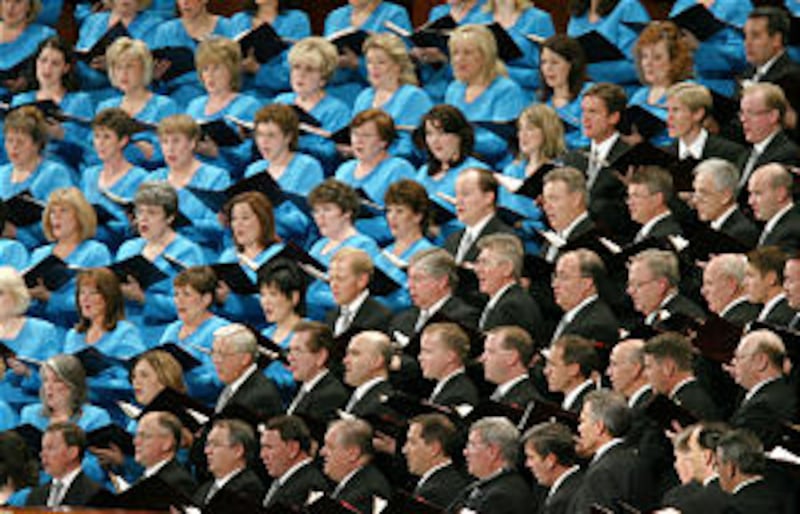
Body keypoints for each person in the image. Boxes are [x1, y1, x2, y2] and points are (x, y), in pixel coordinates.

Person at [115, 181, 204, 343]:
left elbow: (193, 304)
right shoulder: (128, 249)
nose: (143, 219)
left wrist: (143, 298)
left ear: (169, 217)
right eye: (140, 212)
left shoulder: (187, 251)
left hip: (166, 335)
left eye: (152, 213)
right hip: (126, 333)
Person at [148, 114, 230, 261]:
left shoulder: (216, 177)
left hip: (199, 253)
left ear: (192, 143)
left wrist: (181, 223)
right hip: (157, 251)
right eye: (165, 142)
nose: (170, 148)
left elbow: (219, 226)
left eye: (176, 141)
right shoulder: (153, 179)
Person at [28, 188, 112, 328]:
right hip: (41, 327)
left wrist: (50, 298)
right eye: (53, 212)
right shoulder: (39, 254)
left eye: (64, 211)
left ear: (80, 216)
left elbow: (101, 300)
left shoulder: (95, 252)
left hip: (79, 328)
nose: (56, 216)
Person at [444, 24, 524, 168]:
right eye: (455, 53)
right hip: (458, 162)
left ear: (485, 56)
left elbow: (501, 142)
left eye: (467, 53)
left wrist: (458, 143)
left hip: (494, 167)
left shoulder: (506, 90)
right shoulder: (453, 89)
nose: (459, 59)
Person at [242, 103, 322, 247]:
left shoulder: (307, 167)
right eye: (259, 135)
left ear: (288, 137)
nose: (263, 142)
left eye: (271, 135)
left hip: (291, 245)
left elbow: (303, 221)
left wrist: (266, 215)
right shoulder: (254, 169)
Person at [562, 82, 634, 238]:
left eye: (593, 112)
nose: (585, 119)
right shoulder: (574, 158)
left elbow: (625, 212)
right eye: (583, 111)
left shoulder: (630, 157)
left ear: (614, 117)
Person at [11, 36, 93, 172]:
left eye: (55, 64)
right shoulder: (21, 101)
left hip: (63, 169)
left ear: (65, 68)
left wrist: (62, 135)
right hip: (23, 168)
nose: (47, 68)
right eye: (43, 61)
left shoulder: (79, 101)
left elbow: (90, 149)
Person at [64, 268, 145, 405]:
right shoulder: (73, 335)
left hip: (111, 406)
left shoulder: (125, 332)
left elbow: (135, 378)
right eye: (82, 293)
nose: (85, 298)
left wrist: (97, 382)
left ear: (109, 297)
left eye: (93, 293)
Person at [334, 108, 415, 244]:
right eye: (355, 134)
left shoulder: (399, 169)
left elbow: (406, 219)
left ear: (383, 141)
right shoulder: (345, 169)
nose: (358, 141)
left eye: (366, 136)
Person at [97, 37, 179, 171]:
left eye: (130, 66)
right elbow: (94, 151)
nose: (123, 73)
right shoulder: (105, 107)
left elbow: (170, 150)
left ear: (144, 69)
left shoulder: (164, 106)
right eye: (118, 67)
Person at [0, 106, 75, 250]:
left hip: (42, 249)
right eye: (9, 141)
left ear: (37, 144)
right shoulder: (1, 173)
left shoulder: (54, 173)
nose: (13, 147)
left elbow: (62, 223)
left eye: (20, 142)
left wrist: (17, 233)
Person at [305, 179, 379, 321]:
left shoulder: (362, 245)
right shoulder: (318, 246)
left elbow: (361, 294)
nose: (320, 217)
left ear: (346, 213)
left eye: (327, 209)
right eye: (316, 211)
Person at [272, 37, 349, 174]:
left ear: (323, 78)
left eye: (309, 69)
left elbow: (332, 152)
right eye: (296, 67)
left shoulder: (337, 110)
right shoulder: (282, 101)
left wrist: (293, 141)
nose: (300, 75)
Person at [353, 33, 433, 164]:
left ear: (397, 66)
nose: (374, 67)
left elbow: (415, 145)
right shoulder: (363, 97)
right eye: (369, 62)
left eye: (381, 62)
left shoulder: (413, 96)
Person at [414, 104, 489, 241]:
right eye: (429, 134)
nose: (435, 140)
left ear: (460, 136)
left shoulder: (476, 171)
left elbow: (483, 220)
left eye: (442, 133)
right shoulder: (423, 172)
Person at [185, 37, 260, 175]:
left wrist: (216, 153)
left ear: (232, 71)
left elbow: (249, 156)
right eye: (205, 69)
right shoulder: (194, 105)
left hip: (227, 177)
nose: (210, 75)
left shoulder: (248, 105)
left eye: (217, 68)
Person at [80, 108, 148, 251]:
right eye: (97, 136)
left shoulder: (139, 177)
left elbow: (138, 226)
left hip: (121, 247)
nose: (100, 143)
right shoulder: (89, 175)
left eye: (106, 137)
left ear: (123, 140)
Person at [159, 266, 229, 404]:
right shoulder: (172, 329)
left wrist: (183, 376)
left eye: (186, 294)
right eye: (176, 294)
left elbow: (219, 380)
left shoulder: (221, 331)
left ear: (206, 299)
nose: (179, 300)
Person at [572, 389, 650, 512]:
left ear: (599, 427)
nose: (579, 428)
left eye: (582, 421)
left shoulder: (602, 472)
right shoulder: (635, 460)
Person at [322, 0, 411, 108]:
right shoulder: (335, 17)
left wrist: (356, 63)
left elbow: (402, 61)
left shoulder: (394, 14)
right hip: (334, 88)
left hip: (376, 89)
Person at [216, 191, 284, 328]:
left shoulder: (278, 255)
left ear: (263, 220)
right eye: (234, 219)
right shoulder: (228, 256)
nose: (238, 224)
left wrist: (229, 300)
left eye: (245, 218)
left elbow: (278, 303)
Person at [75, 0, 161, 105]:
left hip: (128, 94)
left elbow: (153, 65)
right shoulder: (92, 21)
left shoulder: (154, 26)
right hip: (86, 90)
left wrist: (114, 66)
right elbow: (79, 55)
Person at [150, 0, 232, 108]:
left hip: (220, 97)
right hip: (177, 99)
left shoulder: (227, 27)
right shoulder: (165, 31)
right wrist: (155, 77)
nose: (185, 2)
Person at [498, 104, 559, 248]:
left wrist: (523, 225)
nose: (522, 135)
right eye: (520, 129)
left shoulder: (556, 173)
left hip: (538, 245)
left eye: (530, 129)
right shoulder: (511, 170)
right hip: (507, 242)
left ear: (546, 132)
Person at [389, 248, 479, 345]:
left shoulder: (462, 318)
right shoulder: (402, 319)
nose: (409, 285)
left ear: (442, 281)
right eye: (409, 279)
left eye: (418, 279)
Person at [0, 267, 60, 409]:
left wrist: (27, 373)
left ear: (16, 296)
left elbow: (58, 381)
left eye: (0, 293)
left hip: (31, 409)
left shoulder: (43, 331)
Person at [229, 0, 311, 101]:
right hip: (242, 93)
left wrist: (258, 70)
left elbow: (296, 70)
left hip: (283, 95)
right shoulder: (238, 20)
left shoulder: (297, 20)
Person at [729, 329, 797, 449]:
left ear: (761, 362)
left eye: (739, 357)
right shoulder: (786, 392)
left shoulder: (760, 408)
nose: (733, 362)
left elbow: (739, 453)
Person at [453, 416, 535, 514]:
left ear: (492, 452)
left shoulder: (503, 497)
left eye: (472, 445)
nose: (465, 452)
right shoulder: (484, 485)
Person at [629, 20, 692, 146]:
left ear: (674, 61)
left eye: (657, 57)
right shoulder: (639, 95)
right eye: (644, 56)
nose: (648, 63)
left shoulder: (685, 93)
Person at [670, 0, 750, 97]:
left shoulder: (738, 4)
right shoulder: (682, 3)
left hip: (723, 86)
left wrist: (699, 47)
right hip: (683, 85)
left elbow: (743, 54)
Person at [566, 0, 650, 91]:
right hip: (587, 92)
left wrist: (588, 71)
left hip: (623, 93)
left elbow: (642, 66)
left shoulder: (629, 6)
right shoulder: (578, 13)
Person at [474, 233, 544, 342]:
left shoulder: (512, 307)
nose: (477, 269)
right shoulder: (504, 301)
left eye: (485, 262)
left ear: (507, 268)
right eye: (478, 262)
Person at [483, 0, 555, 103]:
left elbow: (551, 73)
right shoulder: (480, 19)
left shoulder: (538, 19)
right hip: (487, 95)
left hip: (527, 96)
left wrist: (504, 72)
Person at [737, 83, 800, 199]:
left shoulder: (787, 155)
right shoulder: (746, 154)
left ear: (773, 116)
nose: (743, 119)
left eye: (750, 113)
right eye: (742, 112)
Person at [444, 168, 514, 267]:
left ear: (488, 197)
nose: (458, 201)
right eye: (456, 194)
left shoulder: (504, 238)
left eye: (465, 194)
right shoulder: (452, 240)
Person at [210, 324, 282, 420]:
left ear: (245, 359)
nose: (216, 360)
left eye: (223, 354)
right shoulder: (235, 384)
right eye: (214, 353)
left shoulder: (257, 397)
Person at [320, 418, 392, 514]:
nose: (322, 452)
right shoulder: (357, 484)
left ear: (353, 454)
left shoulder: (365, 494)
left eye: (330, 447)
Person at [551, 249, 619, 348]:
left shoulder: (596, 326)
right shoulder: (573, 315)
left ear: (586, 283)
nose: (554, 284)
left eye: (564, 277)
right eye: (555, 276)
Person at [642, 332, 719, 420]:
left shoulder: (688, 406)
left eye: (649, 367)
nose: (645, 374)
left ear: (668, 368)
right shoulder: (695, 396)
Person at [256, 258, 304, 399]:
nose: (266, 302)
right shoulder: (264, 334)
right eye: (262, 294)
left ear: (294, 297)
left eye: (273, 294)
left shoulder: (308, 333)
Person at [259, 415, 329, 510]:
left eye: (269, 447)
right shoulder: (284, 481)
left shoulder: (310, 486)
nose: (263, 455)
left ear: (293, 449)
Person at [25, 423, 102, 507]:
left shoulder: (95, 496)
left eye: (50, 448)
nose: (42, 454)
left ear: (72, 452)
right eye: (43, 448)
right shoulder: (35, 495)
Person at [665, 83, 746, 164]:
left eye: (676, 110)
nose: (668, 117)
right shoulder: (664, 154)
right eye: (667, 110)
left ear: (698, 113)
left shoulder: (730, 153)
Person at [285, 321, 348, 423]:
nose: (290, 358)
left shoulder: (330, 395)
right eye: (290, 350)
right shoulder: (303, 385)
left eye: (297, 350)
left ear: (320, 356)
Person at [402, 413, 469, 509]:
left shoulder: (432, 494)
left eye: (412, 442)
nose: (404, 450)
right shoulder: (455, 478)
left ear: (434, 448)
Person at [193, 419, 265, 508]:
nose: (207, 451)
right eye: (207, 444)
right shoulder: (204, 489)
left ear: (238, 450)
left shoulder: (249, 489)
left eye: (215, 445)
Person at [626, 249, 706, 328]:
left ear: (661, 285)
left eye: (638, 285)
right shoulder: (656, 317)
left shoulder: (683, 319)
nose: (630, 291)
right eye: (629, 284)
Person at [661, 422, 730, 513]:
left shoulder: (684, 505)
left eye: (691, 453)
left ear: (707, 457)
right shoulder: (747, 488)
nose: (689, 460)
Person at [692, 158, 758, 249]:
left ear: (725, 197)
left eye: (704, 193)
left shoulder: (741, 233)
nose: (695, 200)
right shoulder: (706, 227)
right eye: (695, 191)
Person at [715, 429, 787, 512]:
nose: (717, 471)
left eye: (718, 464)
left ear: (730, 468)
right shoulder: (788, 496)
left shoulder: (735, 509)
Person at [325, 248, 392, 337]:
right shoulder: (331, 315)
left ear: (362, 280)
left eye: (340, 279)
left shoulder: (380, 317)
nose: (333, 285)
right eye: (331, 278)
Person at [539, 35, 590, 150]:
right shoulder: (542, 103)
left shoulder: (589, 94)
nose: (548, 68)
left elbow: (590, 142)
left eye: (555, 62)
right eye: (543, 62)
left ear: (572, 64)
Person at [522, 422, 583, 514]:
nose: (527, 464)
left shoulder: (562, 501)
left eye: (531, 457)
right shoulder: (578, 482)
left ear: (550, 460)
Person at [131, 411, 195, 497]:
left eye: (144, 436)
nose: (135, 442)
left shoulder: (176, 482)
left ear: (167, 443)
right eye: (136, 436)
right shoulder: (146, 477)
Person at [0, 0, 55, 99]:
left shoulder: (44, 36)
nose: (10, 7)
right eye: (6, 1)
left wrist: (28, 81)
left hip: (25, 105)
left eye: (18, 2)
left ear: (30, 6)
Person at [540, 166, 594, 263]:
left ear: (576, 199)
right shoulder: (550, 240)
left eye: (553, 199)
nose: (546, 207)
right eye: (545, 200)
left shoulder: (591, 240)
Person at [419, 322, 479, 408]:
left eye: (427, 351)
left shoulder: (459, 396)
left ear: (450, 357)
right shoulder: (446, 386)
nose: (420, 357)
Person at [740, 7, 799, 89]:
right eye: (745, 36)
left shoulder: (791, 79)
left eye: (755, 36)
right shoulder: (748, 72)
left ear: (776, 40)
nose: (747, 43)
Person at [481, 325, 538, 406]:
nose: (483, 358)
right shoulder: (501, 395)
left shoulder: (526, 403)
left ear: (511, 358)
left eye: (490, 351)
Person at [748, 163, 800, 251]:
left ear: (781, 194)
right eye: (750, 193)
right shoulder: (780, 225)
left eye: (758, 193)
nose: (750, 201)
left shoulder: (791, 232)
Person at [341, 330, 393, 418]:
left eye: (355, 354)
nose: (345, 361)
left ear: (377, 361)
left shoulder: (383, 404)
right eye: (347, 354)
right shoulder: (355, 395)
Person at [545, 335, 599, 414]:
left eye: (553, 365)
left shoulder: (588, 407)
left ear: (573, 369)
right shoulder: (576, 402)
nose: (546, 371)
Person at [627, 166, 682, 243]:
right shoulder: (653, 231)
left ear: (657, 199)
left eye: (636, 196)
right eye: (629, 196)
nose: (629, 202)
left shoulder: (665, 235)